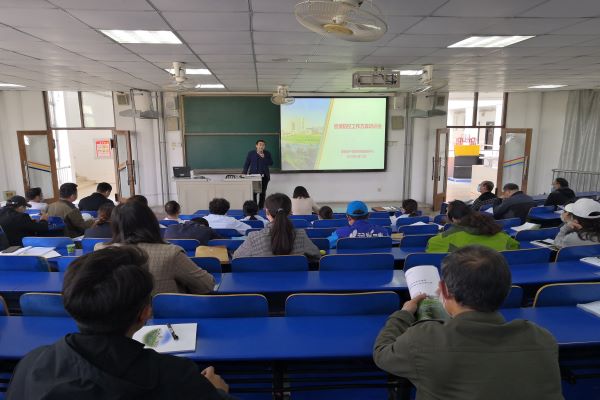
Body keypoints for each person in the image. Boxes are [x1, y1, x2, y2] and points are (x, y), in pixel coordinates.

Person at [6, 246, 233, 400]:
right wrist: (218, 392)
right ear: (145, 314)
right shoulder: (176, 376)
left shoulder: (31, 364)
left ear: (69, 304)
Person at [373, 245, 563, 400]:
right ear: (506, 291)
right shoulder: (542, 338)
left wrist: (404, 313)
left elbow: (382, 353)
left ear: (443, 291)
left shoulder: (423, 339)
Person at [98, 201, 214, 295]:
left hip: (117, 316)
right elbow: (206, 285)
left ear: (115, 225)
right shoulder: (170, 253)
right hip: (167, 315)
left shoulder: (101, 250)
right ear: (151, 222)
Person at [233, 193, 320, 261]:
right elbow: (317, 255)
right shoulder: (300, 235)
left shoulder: (254, 237)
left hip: (263, 279)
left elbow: (236, 258)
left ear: (267, 212)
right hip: (295, 279)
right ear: (290, 212)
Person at [426, 200, 519, 253]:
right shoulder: (500, 234)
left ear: (454, 219)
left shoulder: (443, 239)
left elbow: (430, 249)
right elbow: (515, 247)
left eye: (447, 212)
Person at [242, 139, 273, 209]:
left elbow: (271, 163)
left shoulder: (267, 153)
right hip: (253, 176)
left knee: (262, 193)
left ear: (264, 146)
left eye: (263, 145)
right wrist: (244, 173)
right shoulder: (251, 153)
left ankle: (261, 208)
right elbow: (247, 164)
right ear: (256, 145)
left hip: (264, 176)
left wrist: (264, 157)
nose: (261, 146)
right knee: (254, 193)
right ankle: (254, 208)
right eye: (260, 145)